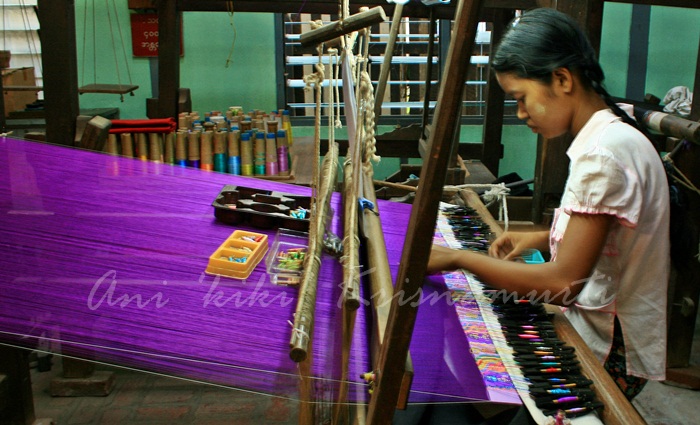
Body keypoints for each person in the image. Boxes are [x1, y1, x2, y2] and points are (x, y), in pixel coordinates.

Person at [427, 7, 669, 401]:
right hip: (620, 326)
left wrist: (459, 259)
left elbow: (560, 286)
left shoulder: (603, 155)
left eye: (521, 98)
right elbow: (615, 232)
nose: (521, 113)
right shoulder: (614, 135)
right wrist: (541, 238)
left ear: (562, 79)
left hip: (610, 345)